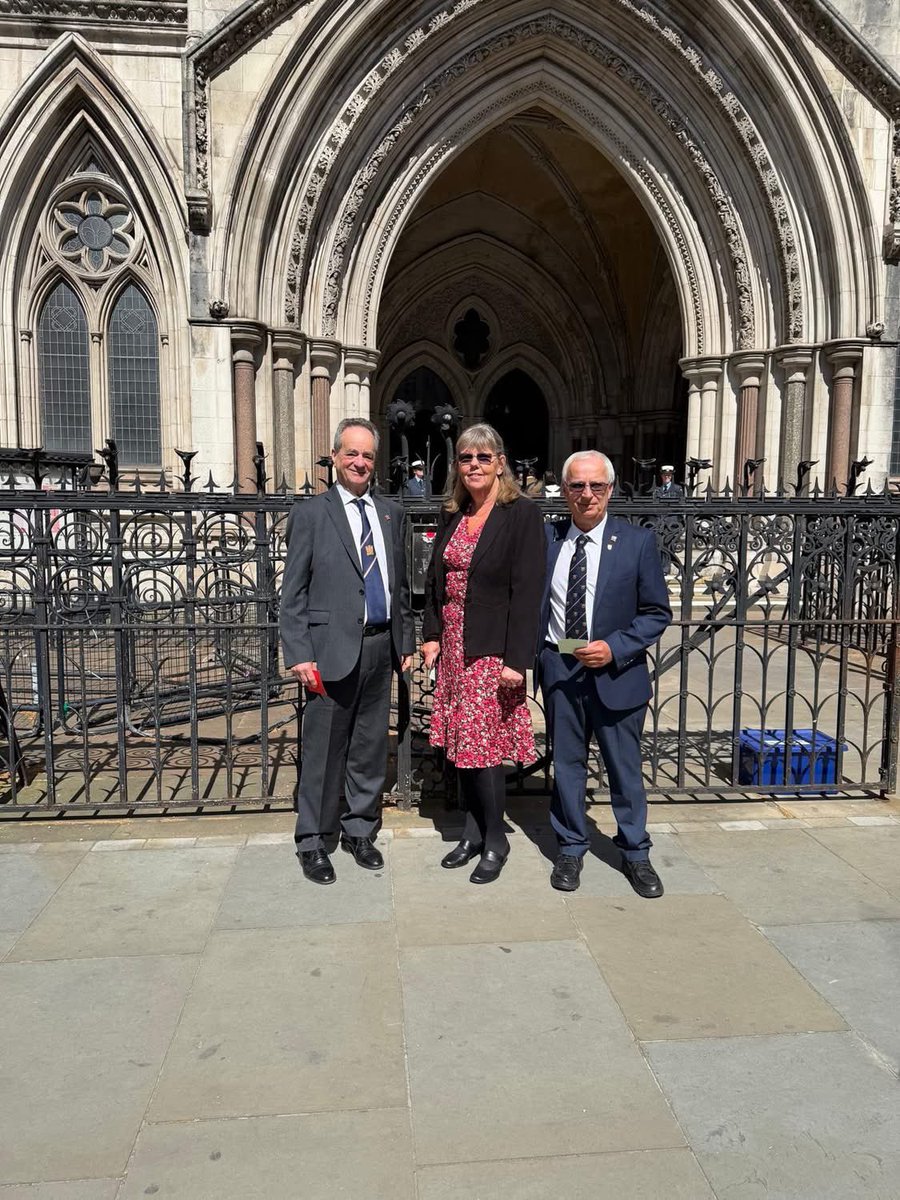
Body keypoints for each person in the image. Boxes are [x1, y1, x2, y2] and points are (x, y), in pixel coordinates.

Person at [280, 418, 415, 884]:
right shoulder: (311, 514)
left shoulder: (392, 514)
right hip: (328, 651)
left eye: (368, 455)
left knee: (369, 747)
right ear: (335, 456)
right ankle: (313, 840)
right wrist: (299, 653)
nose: (360, 462)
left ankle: (360, 830)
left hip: (380, 647)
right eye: (351, 453)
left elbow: (400, 587)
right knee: (322, 752)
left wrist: (405, 641)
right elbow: (293, 592)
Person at [537, 450, 672, 896]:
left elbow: (656, 613)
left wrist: (615, 647)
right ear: (564, 491)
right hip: (561, 667)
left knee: (624, 768)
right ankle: (571, 847)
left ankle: (635, 852)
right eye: (577, 485)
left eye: (596, 485)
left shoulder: (636, 542)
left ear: (610, 490)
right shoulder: (548, 539)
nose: (587, 494)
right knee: (567, 766)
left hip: (617, 673)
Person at [422, 423, 546, 884]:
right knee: (464, 745)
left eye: (483, 457)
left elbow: (528, 591)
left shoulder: (521, 514)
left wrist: (517, 660)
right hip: (455, 645)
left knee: (483, 746)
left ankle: (496, 838)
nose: (473, 465)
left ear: (500, 463)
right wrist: (432, 634)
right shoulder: (455, 512)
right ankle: (473, 833)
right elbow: (435, 581)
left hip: (492, 648)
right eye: (465, 458)